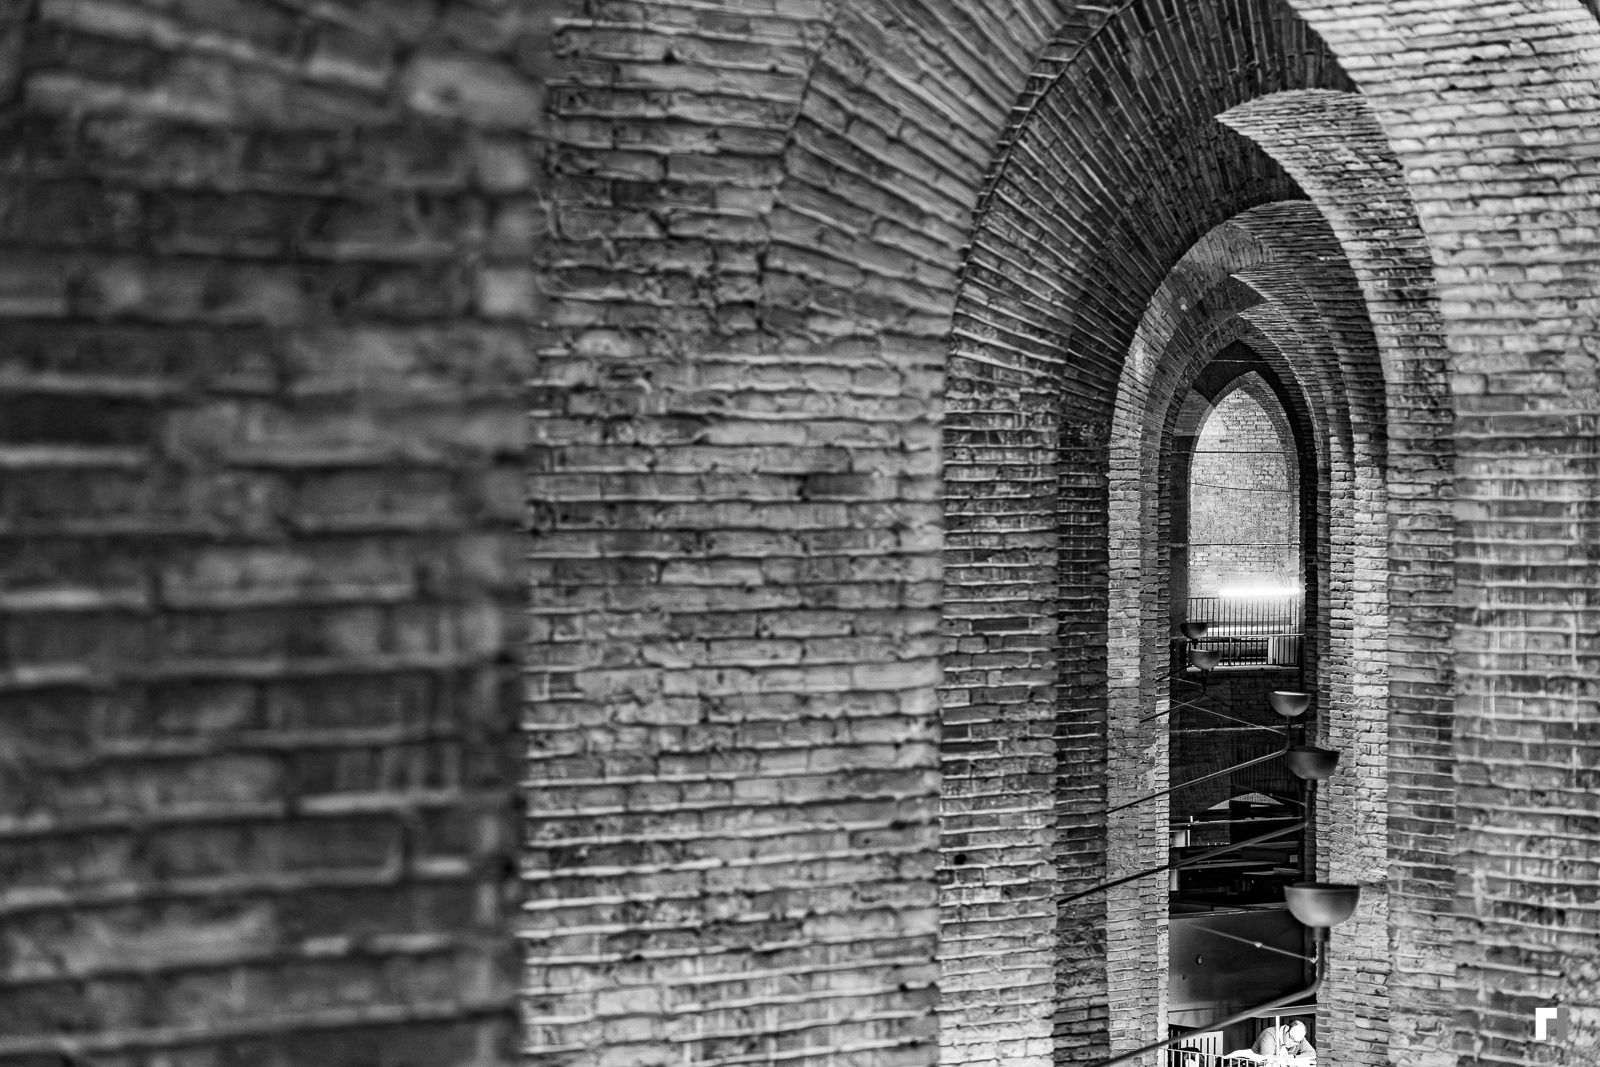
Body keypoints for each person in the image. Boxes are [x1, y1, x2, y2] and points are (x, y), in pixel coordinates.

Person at [1226, 1020, 1315, 1064]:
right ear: (1287, 1029)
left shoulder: (1298, 1038)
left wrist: (1293, 1057)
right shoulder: (1269, 1035)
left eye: (1297, 1042)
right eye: (1291, 1038)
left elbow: (1312, 1054)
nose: (1293, 1043)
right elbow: (1267, 1059)